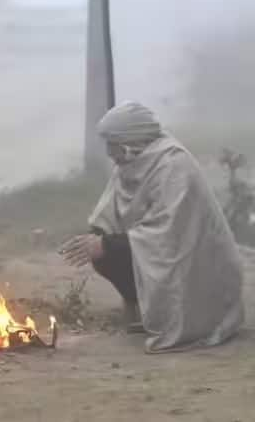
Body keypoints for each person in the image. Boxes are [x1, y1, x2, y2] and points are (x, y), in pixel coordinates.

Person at [61, 101, 244, 353]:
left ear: (129, 140)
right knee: (104, 254)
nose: (108, 152)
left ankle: (179, 318)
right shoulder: (131, 161)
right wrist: (96, 236)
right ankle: (144, 308)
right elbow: (109, 211)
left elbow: (169, 234)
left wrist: (107, 244)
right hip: (156, 249)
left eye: (112, 143)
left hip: (197, 267)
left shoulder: (174, 164)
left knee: (109, 249)